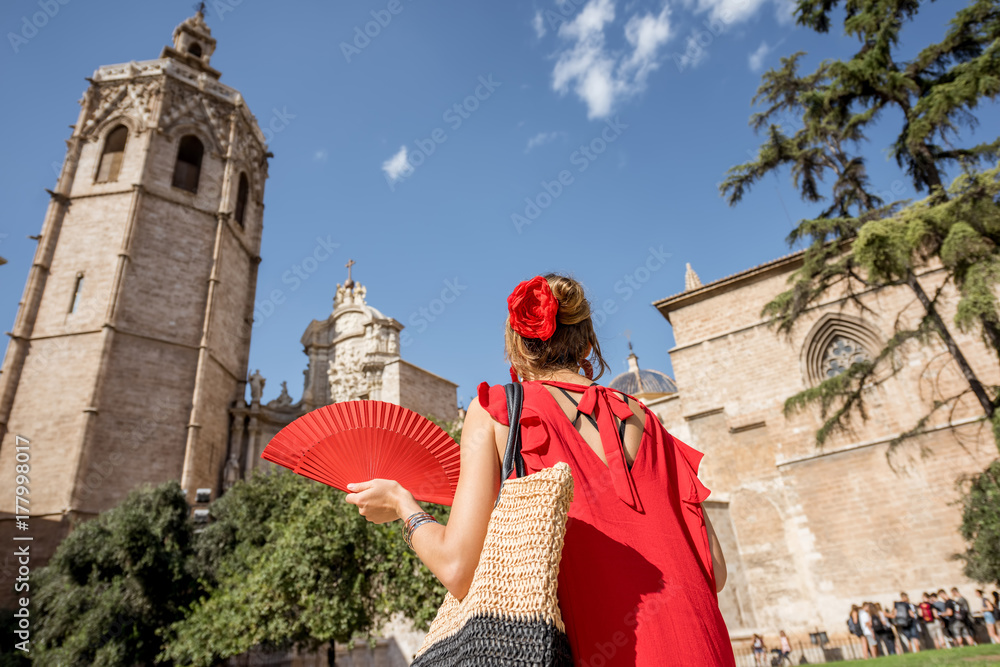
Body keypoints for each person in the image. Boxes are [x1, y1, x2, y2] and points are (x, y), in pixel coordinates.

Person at [344, 274, 736, 666]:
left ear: (516, 345)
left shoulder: (495, 410)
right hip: (703, 644)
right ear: (586, 342)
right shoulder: (649, 420)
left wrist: (401, 503)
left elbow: (456, 568)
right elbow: (715, 571)